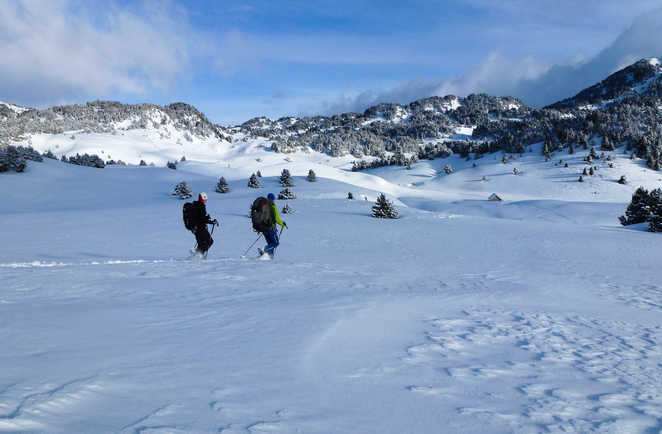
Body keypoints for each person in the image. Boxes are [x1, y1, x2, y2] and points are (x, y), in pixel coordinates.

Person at [259, 193, 287, 257]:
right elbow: (276, 219)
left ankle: (269, 257)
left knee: (270, 244)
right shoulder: (273, 206)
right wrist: (282, 223)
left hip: (264, 229)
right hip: (271, 228)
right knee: (276, 243)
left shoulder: (263, 206)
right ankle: (264, 249)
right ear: (272, 199)